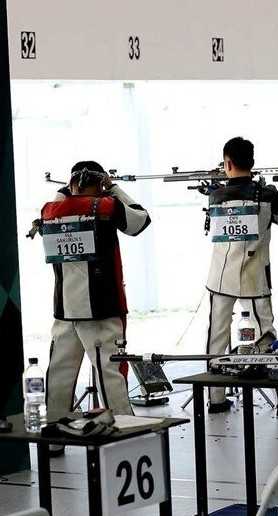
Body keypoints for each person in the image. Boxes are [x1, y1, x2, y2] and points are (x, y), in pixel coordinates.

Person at [42, 161, 151, 452]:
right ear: (100, 183)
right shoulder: (106, 206)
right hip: (101, 309)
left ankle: (53, 442)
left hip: (65, 309)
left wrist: (67, 189)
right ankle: (126, 439)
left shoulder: (50, 210)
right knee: (110, 376)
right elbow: (140, 220)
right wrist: (113, 188)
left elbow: (62, 201)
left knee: (59, 376)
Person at [204, 137, 278, 416]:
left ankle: (215, 398)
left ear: (227, 163)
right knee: (265, 335)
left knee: (217, 336)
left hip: (221, 276)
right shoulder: (268, 194)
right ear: (252, 161)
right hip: (255, 275)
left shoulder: (216, 196)